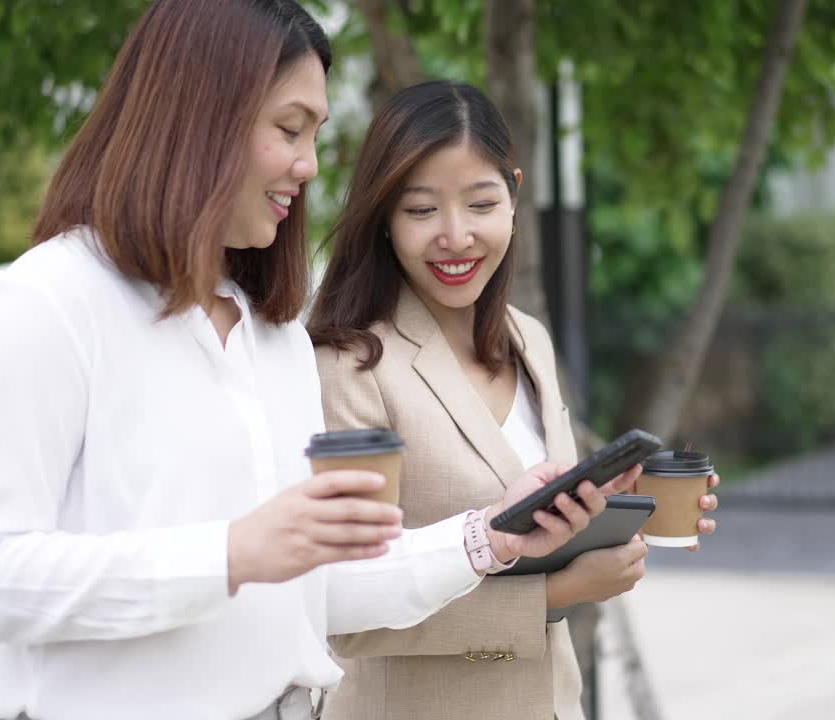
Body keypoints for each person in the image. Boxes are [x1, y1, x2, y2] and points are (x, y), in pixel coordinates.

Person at [0, 4, 633, 719]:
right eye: (289, 128)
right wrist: (232, 554)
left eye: (316, 134)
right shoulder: (47, 303)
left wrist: (490, 537)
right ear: (198, 115)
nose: (310, 165)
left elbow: (323, 593)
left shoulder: (275, 338)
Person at [307, 80, 719, 720]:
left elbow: (531, 512)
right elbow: (346, 613)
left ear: (515, 196)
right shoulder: (350, 363)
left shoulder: (529, 340)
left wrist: (611, 510)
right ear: (383, 218)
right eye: (421, 210)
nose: (456, 236)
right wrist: (555, 596)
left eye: (481, 203)